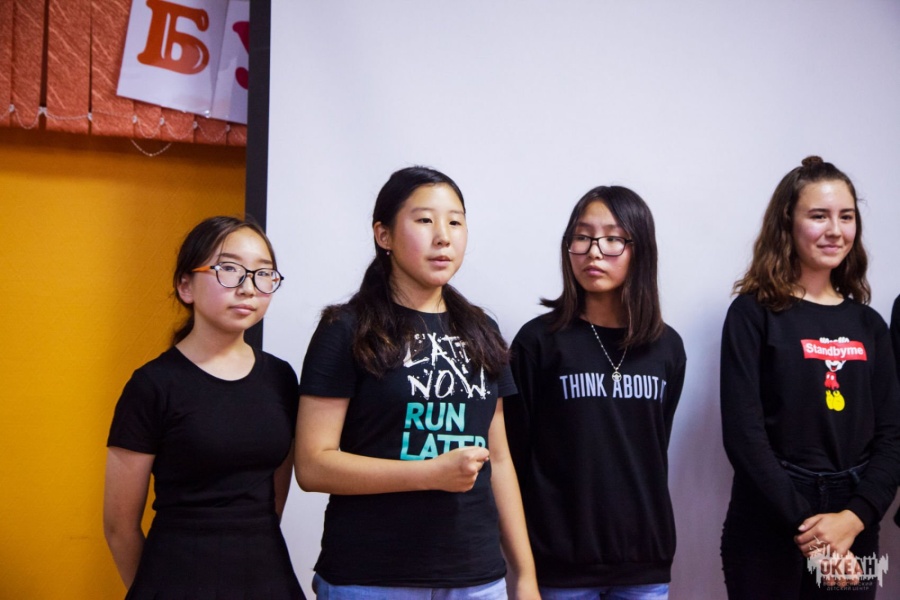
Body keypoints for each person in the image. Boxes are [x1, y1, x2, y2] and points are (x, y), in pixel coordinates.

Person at [295, 166, 539, 599]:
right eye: (425, 220)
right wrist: (429, 474)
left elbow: (499, 460)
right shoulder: (346, 328)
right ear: (383, 235)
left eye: (455, 222)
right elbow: (313, 466)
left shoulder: (482, 329)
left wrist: (525, 577)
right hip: (371, 578)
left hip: (477, 579)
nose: (443, 236)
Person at [720, 156, 900, 599]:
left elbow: (893, 436)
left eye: (846, 216)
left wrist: (853, 520)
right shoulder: (752, 314)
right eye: (819, 216)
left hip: (854, 521)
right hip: (769, 519)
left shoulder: (870, 325)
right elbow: (744, 436)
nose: (835, 230)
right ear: (788, 222)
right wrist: (815, 535)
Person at [103, 216, 304, 599]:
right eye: (229, 269)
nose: (248, 287)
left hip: (266, 574)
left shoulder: (280, 377)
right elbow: (119, 527)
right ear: (185, 286)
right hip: (176, 574)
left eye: (263, 273)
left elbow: (273, 501)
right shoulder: (152, 385)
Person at [504, 186, 686, 600]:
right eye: (582, 237)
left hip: (645, 563)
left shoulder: (667, 347)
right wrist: (524, 568)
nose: (594, 252)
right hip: (559, 565)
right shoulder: (538, 343)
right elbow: (513, 459)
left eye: (613, 238)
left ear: (640, 249)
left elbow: (654, 448)